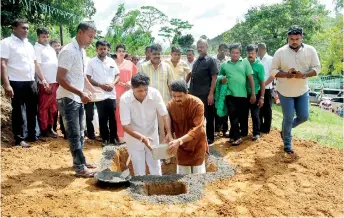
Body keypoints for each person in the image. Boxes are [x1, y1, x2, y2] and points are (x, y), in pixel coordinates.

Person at [267, 25, 321, 154]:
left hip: (302, 90)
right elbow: (273, 71)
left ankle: (285, 130)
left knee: (303, 117)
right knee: (289, 117)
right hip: (285, 91)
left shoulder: (310, 50)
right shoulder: (280, 52)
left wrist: (304, 75)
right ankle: (287, 144)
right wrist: (286, 74)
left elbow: (317, 68)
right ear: (288, 38)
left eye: (297, 38)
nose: (294, 41)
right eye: (291, 39)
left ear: (302, 38)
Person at [56, 22, 100, 177]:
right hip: (68, 98)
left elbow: (80, 76)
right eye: (90, 36)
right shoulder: (69, 51)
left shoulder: (81, 52)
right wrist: (80, 93)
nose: (91, 40)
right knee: (74, 133)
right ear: (80, 32)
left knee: (81, 132)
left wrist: (92, 91)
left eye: (93, 37)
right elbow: (60, 78)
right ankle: (80, 167)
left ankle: (80, 160)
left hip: (77, 97)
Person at [1, 18, 50, 147]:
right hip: (16, 82)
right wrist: (6, 84)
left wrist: (43, 79)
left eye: (27, 28)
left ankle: (32, 135)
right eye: (23, 28)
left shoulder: (29, 44)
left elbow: (35, 63)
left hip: (31, 81)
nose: (26, 30)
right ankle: (19, 138)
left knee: (32, 110)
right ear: (14, 29)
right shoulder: (7, 43)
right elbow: (3, 64)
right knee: (18, 111)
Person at [120, 72, 173, 176]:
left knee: (155, 165)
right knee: (138, 167)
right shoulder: (125, 99)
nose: (143, 93)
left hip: (152, 136)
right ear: (132, 88)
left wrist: (169, 133)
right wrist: (142, 138)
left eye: (145, 90)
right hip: (134, 138)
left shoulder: (155, 94)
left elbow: (165, 114)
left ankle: (158, 188)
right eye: (139, 91)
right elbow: (125, 125)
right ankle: (141, 190)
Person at [167, 80, 208, 174]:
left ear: (187, 92)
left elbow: (197, 129)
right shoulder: (170, 105)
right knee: (183, 178)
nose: (177, 99)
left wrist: (179, 141)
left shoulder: (197, 104)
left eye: (180, 96)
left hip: (197, 145)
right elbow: (169, 128)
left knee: (198, 177)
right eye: (174, 96)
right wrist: (169, 136)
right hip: (181, 148)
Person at [220, 42, 256, 146]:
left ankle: (233, 135)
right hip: (229, 94)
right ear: (229, 53)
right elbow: (220, 77)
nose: (235, 54)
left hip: (243, 94)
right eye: (233, 52)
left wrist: (253, 93)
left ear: (240, 53)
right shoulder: (225, 65)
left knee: (241, 117)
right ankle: (237, 137)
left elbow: (250, 78)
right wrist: (221, 80)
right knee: (232, 116)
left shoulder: (245, 62)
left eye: (237, 53)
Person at [86, 40, 121, 146]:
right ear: (97, 49)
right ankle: (105, 138)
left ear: (108, 50)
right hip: (99, 94)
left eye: (104, 49)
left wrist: (112, 84)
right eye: (100, 49)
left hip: (111, 94)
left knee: (112, 117)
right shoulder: (92, 62)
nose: (103, 51)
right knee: (102, 117)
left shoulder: (111, 61)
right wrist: (100, 85)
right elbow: (88, 78)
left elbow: (117, 75)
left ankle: (113, 138)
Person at [139, 44, 175, 144]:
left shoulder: (167, 67)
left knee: (163, 130)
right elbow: (139, 85)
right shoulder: (143, 67)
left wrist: (172, 101)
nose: (157, 56)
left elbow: (171, 85)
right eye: (154, 54)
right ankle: (151, 153)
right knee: (149, 130)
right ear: (150, 54)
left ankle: (163, 155)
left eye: (159, 54)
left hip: (163, 103)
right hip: (147, 103)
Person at [187, 39, 218, 145]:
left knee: (209, 116)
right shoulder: (196, 61)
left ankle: (210, 138)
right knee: (196, 117)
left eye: (202, 46)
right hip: (194, 95)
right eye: (198, 46)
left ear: (207, 46)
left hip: (206, 94)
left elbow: (214, 78)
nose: (199, 48)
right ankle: (197, 135)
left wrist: (211, 94)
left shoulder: (211, 60)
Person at [34, 27, 59, 138]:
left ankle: (50, 128)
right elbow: (37, 65)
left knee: (53, 108)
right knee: (44, 107)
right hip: (45, 82)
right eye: (43, 37)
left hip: (55, 82)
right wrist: (43, 80)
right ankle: (43, 130)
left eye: (47, 36)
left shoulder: (50, 48)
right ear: (38, 37)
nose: (46, 39)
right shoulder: (36, 48)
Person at [115, 44, 138, 143]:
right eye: (119, 51)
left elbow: (136, 77)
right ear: (116, 52)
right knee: (117, 115)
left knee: (128, 113)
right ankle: (120, 137)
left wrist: (130, 83)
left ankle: (130, 136)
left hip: (128, 92)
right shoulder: (111, 63)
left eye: (122, 51)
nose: (121, 53)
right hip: (115, 91)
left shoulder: (129, 64)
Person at [245, 44, 265, 141]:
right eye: (249, 53)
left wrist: (261, 97)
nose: (250, 55)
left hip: (255, 93)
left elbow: (262, 83)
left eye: (252, 53)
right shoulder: (244, 63)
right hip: (244, 93)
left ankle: (256, 133)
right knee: (243, 113)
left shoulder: (259, 66)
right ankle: (243, 132)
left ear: (256, 53)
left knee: (255, 114)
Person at [257, 42, 273, 134]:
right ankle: (259, 126)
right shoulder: (257, 59)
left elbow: (272, 75)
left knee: (267, 108)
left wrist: (263, 84)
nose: (257, 51)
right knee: (259, 108)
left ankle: (266, 128)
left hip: (267, 87)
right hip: (258, 88)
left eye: (258, 50)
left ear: (262, 49)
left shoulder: (270, 59)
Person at [214, 44, 230, 137]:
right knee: (216, 107)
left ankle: (225, 129)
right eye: (222, 50)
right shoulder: (213, 60)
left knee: (225, 107)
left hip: (225, 88)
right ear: (218, 50)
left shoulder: (228, 61)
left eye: (225, 50)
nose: (224, 52)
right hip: (216, 87)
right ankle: (217, 129)